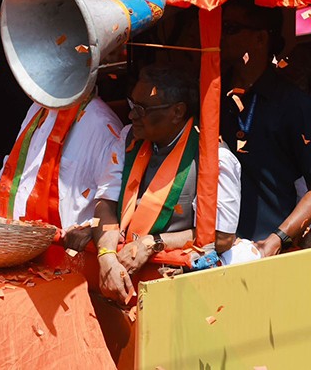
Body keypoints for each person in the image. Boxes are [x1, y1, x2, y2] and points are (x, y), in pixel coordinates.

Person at [93, 64, 242, 304]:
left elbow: (221, 237)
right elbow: (105, 203)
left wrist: (153, 243)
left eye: (141, 109)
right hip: (120, 270)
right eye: (132, 105)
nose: (131, 115)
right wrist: (107, 256)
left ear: (177, 112)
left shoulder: (214, 157)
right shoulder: (128, 137)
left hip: (178, 287)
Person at [0, 94, 124, 253]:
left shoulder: (101, 123)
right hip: (11, 249)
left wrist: (92, 229)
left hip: (63, 256)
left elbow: (112, 201)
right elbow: (14, 176)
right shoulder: (37, 109)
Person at [219, 0, 311, 256]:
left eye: (230, 28)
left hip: (269, 251)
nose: (218, 36)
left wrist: (277, 239)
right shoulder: (211, 95)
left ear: (260, 39)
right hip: (212, 247)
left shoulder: (294, 103)